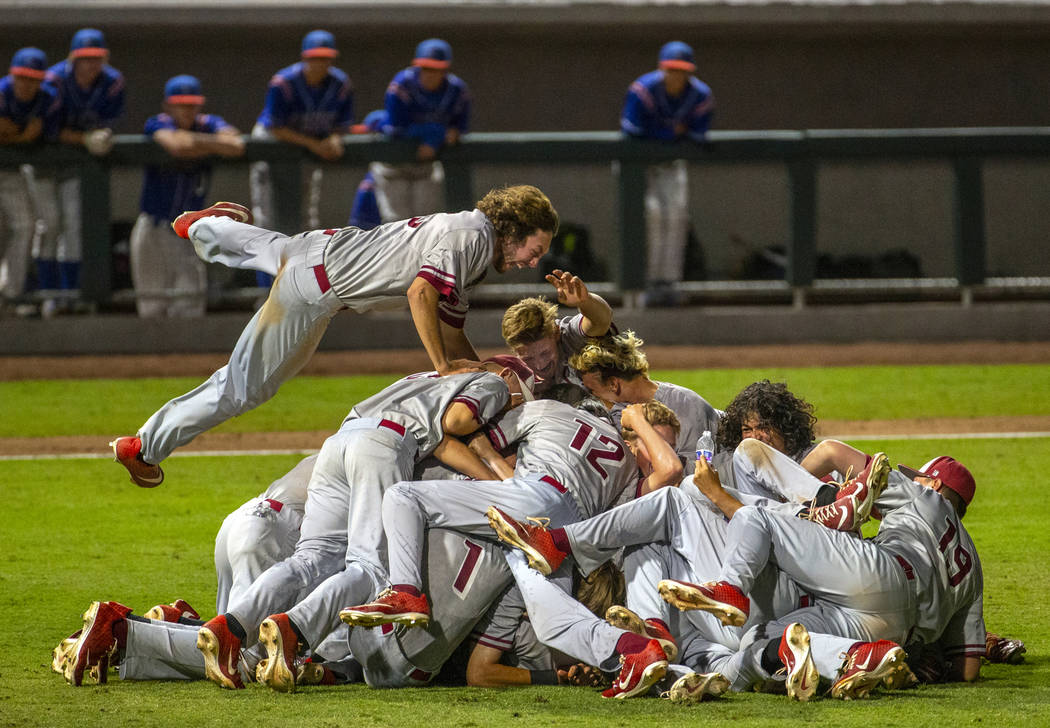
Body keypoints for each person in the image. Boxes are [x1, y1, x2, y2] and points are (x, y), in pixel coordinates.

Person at [108, 184, 558, 487]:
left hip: (319, 247)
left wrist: (478, 371)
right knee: (244, 387)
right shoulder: (473, 238)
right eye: (533, 249)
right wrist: (444, 368)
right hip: (313, 291)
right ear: (513, 230)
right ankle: (144, 446)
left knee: (267, 246)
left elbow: (451, 326)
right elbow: (421, 293)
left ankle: (199, 226)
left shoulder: (470, 236)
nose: (532, 261)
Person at [195, 359, 534, 689]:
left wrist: (494, 483)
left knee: (310, 559)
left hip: (338, 444)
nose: (516, 404)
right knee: (370, 571)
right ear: (507, 373)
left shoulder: (423, 378)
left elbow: (442, 440)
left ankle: (231, 626)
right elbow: (457, 421)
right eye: (522, 393)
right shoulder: (494, 382)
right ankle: (294, 627)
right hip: (382, 446)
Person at [661, 449, 984, 700]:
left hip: (884, 574)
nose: (915, 481)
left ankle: (732, 586)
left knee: (755, 518)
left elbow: (832, 450)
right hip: (895, 632)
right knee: (760, 639)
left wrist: (808, 497)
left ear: (935, 484)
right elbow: (968, 669)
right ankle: (851, 658)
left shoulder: (925, 498)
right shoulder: (974, 568)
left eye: (919, 478)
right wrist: (932, 663)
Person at [129, 75, 244, 318]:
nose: (187, 110)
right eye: (180, 104)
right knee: (151, 306)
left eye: (191, 104)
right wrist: (211, 145)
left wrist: (195, 141)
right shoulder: (157, 122)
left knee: (190, 303)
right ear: (168, 106)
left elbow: (236, 144)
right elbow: (177, 146)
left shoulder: (209, 123)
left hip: (187, 229)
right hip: (153, 226)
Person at [31, 28, 125, 317]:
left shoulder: (112, 82)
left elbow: (108, 119)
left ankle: (71, 294)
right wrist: (84, 138)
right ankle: (48, 294)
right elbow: (47, 131)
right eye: (85, 58)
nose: (91, 64)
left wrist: (99, 135)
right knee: (49, 225)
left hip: (75, 163)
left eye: (96, 58)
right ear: (73, 58)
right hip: (43, 159)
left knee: (73, 225)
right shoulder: (54, 80)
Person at [621, 41, 714, 306]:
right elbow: (632, 131)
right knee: (651, 217)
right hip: (639, 165)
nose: (676, 75)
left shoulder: (700, 94)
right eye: (672, 69)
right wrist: (670, 132)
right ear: (662, 68)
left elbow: (698, 134)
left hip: (671, 164)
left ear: (690, 71)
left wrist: (662, 134)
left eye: (682, 70)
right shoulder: (643, 90)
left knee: (676, 218)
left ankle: (669, 283)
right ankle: (644, 284)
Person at [249, 29, 353, 256]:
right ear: (304, 57)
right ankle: (266, 275)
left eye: (325, 58)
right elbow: (276, 127)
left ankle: (301, 270)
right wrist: (314, 145)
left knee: (305, 217)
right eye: (315, 57)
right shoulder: (283, 83)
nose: (320, 63)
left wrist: (334, 139)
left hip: (307, 150)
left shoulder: (340, 84)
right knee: (267, 218)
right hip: (273, 147)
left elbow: (341, 125)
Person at [569, 330, 721, 468]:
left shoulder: (684, 406)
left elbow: (699, 474)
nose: (593, 397)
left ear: (613, 384)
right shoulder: (623, 407)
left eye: (593, 390)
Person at [370, 38, 470, 222]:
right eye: (425, 68)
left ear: (445, 69)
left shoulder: (457, 90)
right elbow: (397, 129)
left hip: (426, 166)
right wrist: (435, 135)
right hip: (394, 163)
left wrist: (446, 134)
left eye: (435, 69)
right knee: (395, 223)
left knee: (426, 222)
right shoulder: (402, 85)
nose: (429, 74)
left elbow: (459, 128)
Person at [0, 47, 59, 312]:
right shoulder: (2, 92)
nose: (26, 84)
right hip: (10, 168)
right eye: (21, 77)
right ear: (12, 75)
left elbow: (41, 134)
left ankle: (11, 293)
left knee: (25, 226)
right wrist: (22, 136)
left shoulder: (47, 98)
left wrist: (12, 135)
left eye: (33, 78)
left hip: (11, 172)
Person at [500, 275, 613, 396]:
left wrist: (586, 302)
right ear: (515, 351)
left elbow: (601, 321)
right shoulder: (515, 380)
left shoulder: (570, 336)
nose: (540, 365)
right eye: (528, 359)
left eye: (545, 353)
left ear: (556, 333)